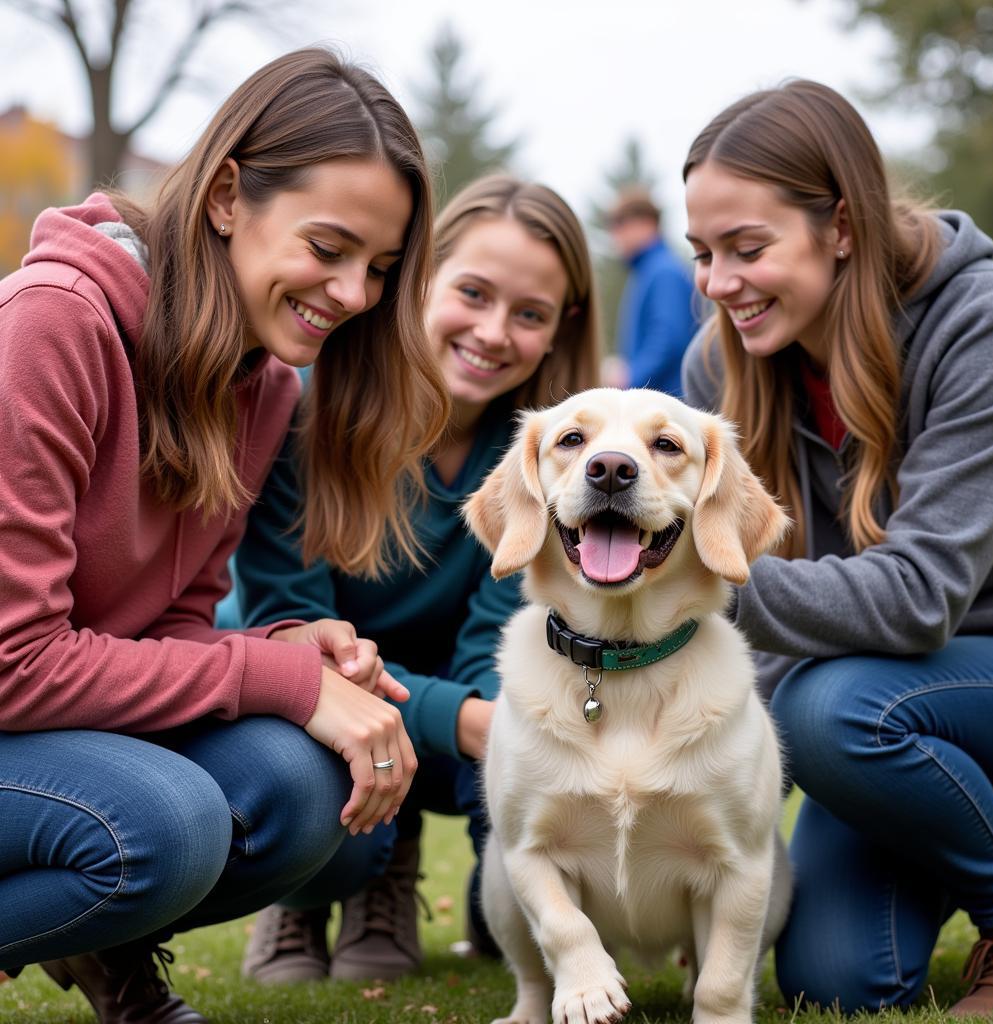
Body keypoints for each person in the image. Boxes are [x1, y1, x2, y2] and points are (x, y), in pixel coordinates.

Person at [0, 47, 449, 1024]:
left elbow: (158, 633)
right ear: (227, 196)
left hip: (38, 735)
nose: (355, 293)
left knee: (299, 785)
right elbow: (15, 662)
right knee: (163, 822)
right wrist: (277, 681)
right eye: (328, 248)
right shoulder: (51, 326)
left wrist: (281, 648)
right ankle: (103, 943)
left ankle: (102, 947)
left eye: (378, 268)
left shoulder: (263, 387)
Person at [681, 79, 993, 1015]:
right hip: (873, 703)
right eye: (703, 253)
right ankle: (935, 821)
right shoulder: (720, 366)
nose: (718, 283)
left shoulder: (990, 322)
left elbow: (917, 597)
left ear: (839, 226)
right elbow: (756, 630)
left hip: (991, 677)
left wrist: (698, 579)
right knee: (839, 984)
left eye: (748, 249)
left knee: (830, 711)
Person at [233, 174, 601, 984]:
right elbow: (292, 635)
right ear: (421, 278)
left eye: (530, 314)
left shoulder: (549, 465)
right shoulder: (302, 419)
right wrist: (472, 721)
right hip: (312, 711)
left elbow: (497, 646)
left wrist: (491, 727)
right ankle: (323, 888)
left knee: (523, 773)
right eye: (472, 292)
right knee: (327, 805)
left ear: (559, 329)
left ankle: (439, 876)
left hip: (450, 717)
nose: (494, 332)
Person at [604, 184, 698, 397]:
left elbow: (668, 340)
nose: (615, 237)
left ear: (646, 223)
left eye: (620, 226)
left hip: (668, 404)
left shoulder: (663, 271)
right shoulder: (648, 271)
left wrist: (629, 378)